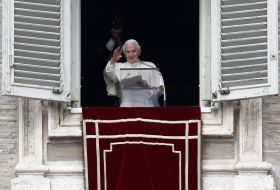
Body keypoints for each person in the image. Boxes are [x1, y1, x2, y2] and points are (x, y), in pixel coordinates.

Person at [103, 39, 164, 107]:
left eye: (133, 51)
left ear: (139, 52)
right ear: (124, 53)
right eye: (128, 52)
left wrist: (147, 87)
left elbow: (160, 89)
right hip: (127, 106)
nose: (131, 54)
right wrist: (113, 60)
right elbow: (108, 74)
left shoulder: (150, 66)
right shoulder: (120, 66)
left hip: (147, 106)